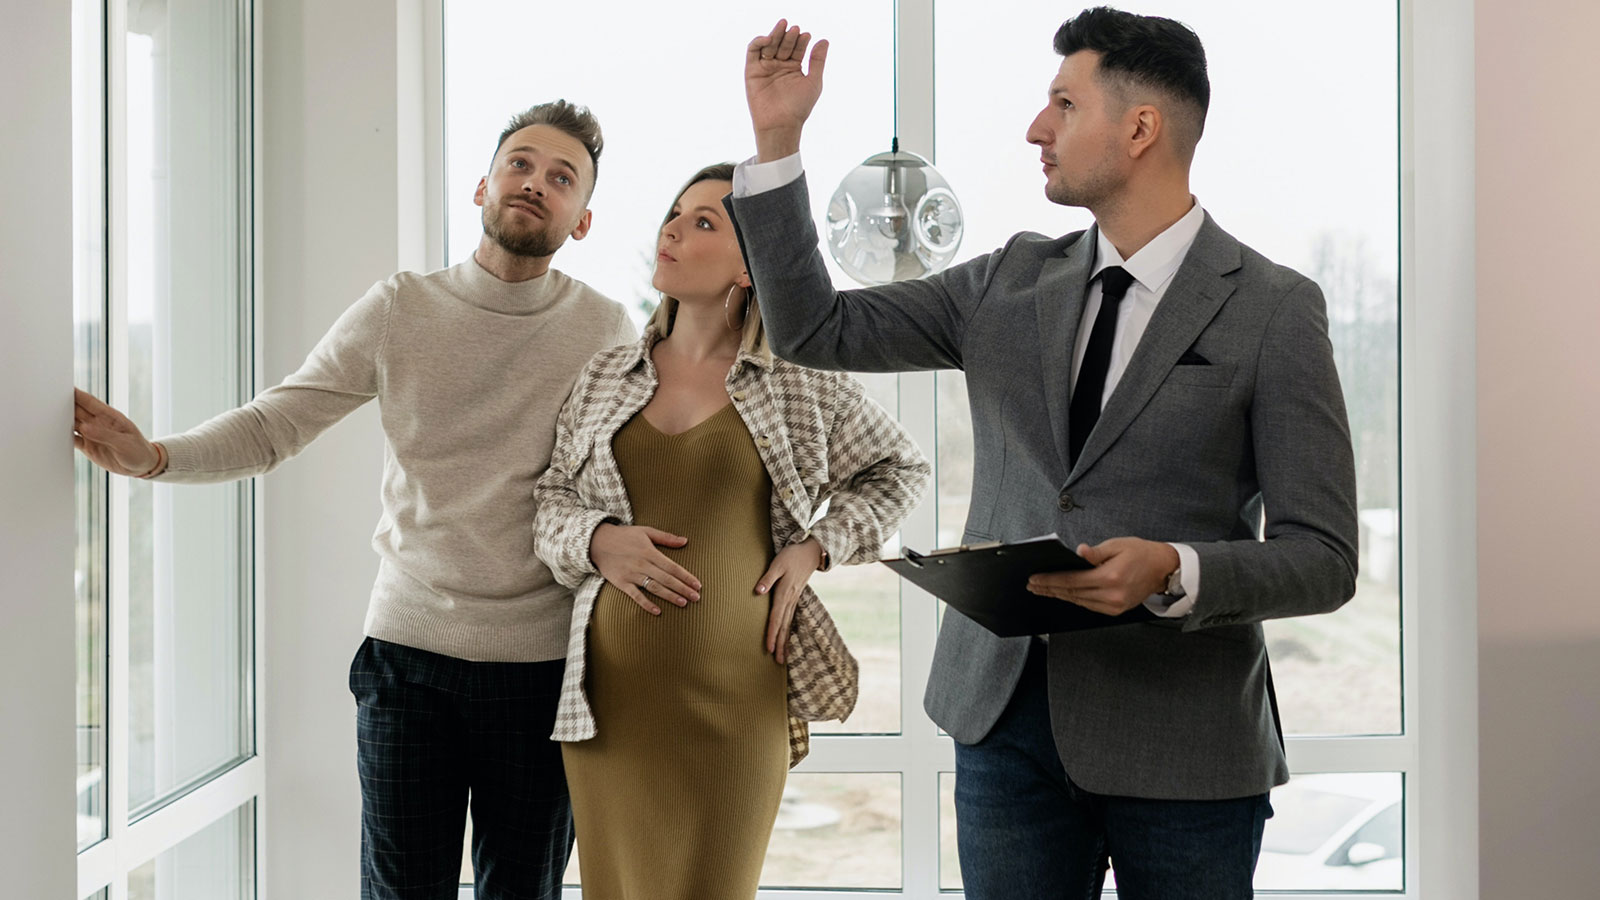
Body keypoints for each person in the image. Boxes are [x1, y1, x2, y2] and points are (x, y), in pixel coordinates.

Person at [732, 10, 1359, 899]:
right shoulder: (1007, 280)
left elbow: (1324, 560)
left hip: (1186, 749)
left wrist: (1175, 571)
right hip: (1004, 732)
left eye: (1063, 103)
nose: (1037, 127)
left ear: (1140, 129)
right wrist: (778, 142)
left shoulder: (1272, 310)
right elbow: (813, 327)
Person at [70, 100, 635, 900]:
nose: (535, 183)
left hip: (541, 669)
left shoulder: (606, 329)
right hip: (408, 661)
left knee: (526, 893)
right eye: (520, 163)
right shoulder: (403, 306)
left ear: (581, 220)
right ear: (481, 186)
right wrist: (154, 457)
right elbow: (278, 422)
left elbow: (646, 469)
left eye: (561, 177)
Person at [531, 162, 930, 900]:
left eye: (704, 221)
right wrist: (596, 541)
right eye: (674, 213)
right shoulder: (604, 375)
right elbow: (550, 500)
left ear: (750, 266)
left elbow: (900, 469)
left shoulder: (799, 380)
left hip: (735, 707)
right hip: (608, 712)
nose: (674, 228)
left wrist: (816, 548)